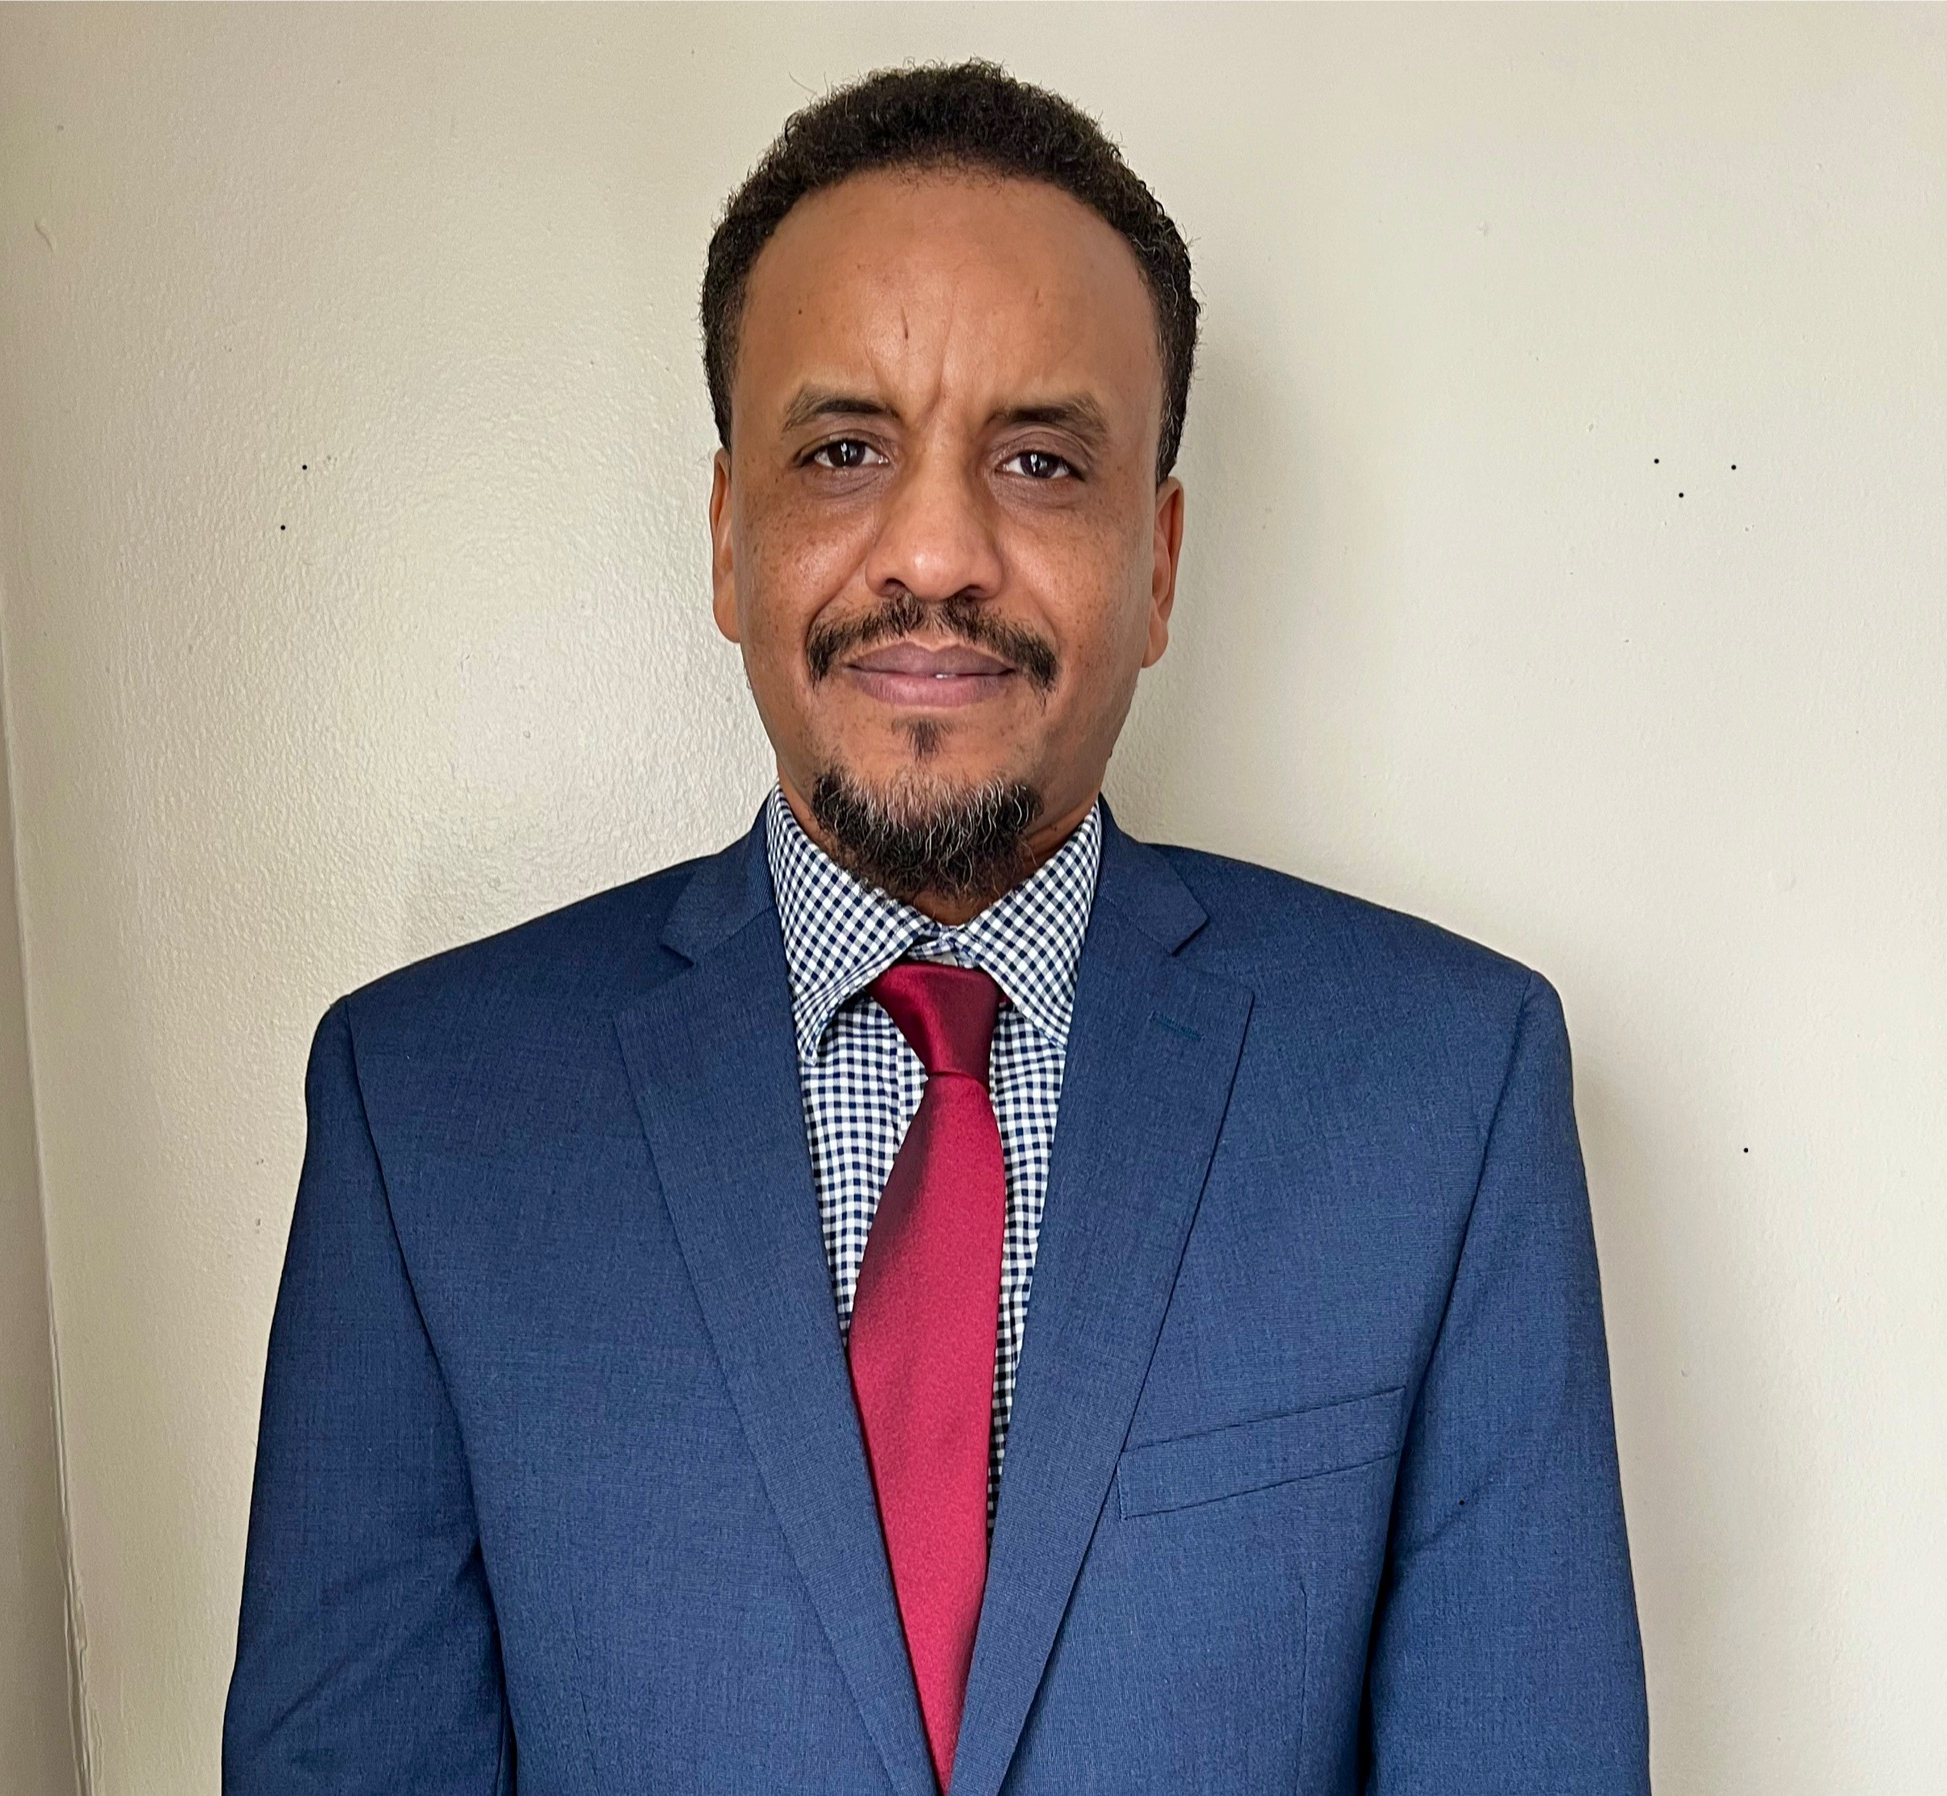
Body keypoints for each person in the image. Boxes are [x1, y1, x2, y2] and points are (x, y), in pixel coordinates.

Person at [224, 61, 1649, 1796]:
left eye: (1039, 461)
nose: (934, 553)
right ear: (730, 539)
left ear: (1157, 564)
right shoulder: (425, 1110)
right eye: (844, 453)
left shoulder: (1443, 1087)